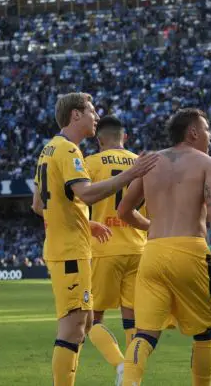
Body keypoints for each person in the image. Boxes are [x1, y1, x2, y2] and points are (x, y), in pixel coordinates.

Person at [31, 93, 159, 386]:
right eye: (91, 111)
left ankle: (122, 368)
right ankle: (124, 369)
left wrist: (86, 222)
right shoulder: (69, 151)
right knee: (73, 328)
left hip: (75, 247)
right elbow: (86, 193)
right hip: (71, 252)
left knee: (87, 321)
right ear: (76, 115)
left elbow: (39, 205)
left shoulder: (48, 150)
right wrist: (132, 172)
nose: (96, 116)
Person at [116, 108, 211, 386]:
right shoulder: (208, 164)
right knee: (205, 333)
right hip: (191, 252)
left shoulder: (150, 163)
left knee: (144, 334)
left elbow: (123, 211)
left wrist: (153, 227)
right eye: (206, 129)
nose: (210, 135)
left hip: (153, 252)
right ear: (193, 132)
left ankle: (130, 381)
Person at [84, 116, 149, 384]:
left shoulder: (90, 163)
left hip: (103, 247)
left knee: (92, 319)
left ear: (100, 140)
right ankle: (133, 375)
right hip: (138, 247)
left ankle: (121, 364)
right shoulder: (142, 163)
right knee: (132, 315)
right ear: (126, 137)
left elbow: (76, 201)